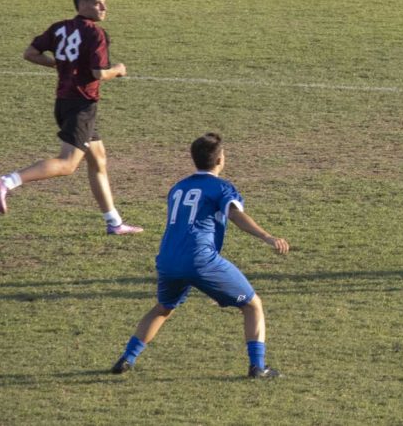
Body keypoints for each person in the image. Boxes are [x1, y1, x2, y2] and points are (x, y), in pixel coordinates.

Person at [112, 132, 290, 378]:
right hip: (200, 259)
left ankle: (126, 358)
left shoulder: (178, 187)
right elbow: (235, 215)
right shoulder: (222, 187)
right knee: (252, 305)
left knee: (163, 308)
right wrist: (267, 236)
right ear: (220, 160)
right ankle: (258, 367)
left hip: (168, 258)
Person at [0, 0, 142, 234]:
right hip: (81, 105)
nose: (104, 7)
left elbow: (30, 53)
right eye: (98, 3)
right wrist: (118, 70)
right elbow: (98, 73)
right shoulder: (95, 34)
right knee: (67, 164)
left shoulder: (59, 27)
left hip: (65, 102)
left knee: (98, 160)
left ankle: (114, 222)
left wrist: (58, 65)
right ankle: (6, 182)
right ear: (83, 4)